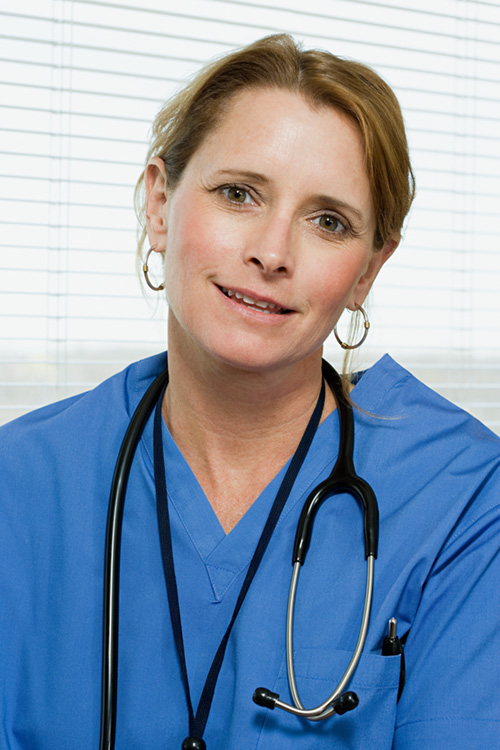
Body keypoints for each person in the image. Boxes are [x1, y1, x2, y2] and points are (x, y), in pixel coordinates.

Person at [0, 33, 499, 750]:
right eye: (239, 193)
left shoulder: (465, 497)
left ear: (367, 271)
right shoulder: (21, 483)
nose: (272, 251)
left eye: (328, 222)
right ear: (160, 204)